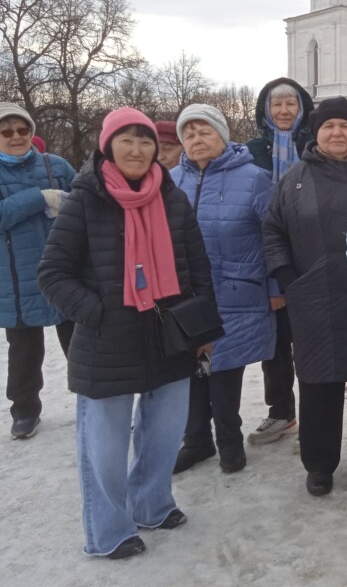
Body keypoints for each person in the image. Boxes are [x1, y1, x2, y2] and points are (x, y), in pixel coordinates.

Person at [38, 107, 214, 558]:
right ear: (108, 146)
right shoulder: (84, 198)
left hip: (169, 334)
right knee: (105, 446)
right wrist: (97, 313)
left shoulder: (170, 196)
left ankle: (152, 505)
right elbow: (53, 273)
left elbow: (197, 268)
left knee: (162, 432)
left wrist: (203, 327)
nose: (137, 150)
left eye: (145, 141)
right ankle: (109, 531)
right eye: (127, 140)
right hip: (107, 342)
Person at [263, 97, 347, 497]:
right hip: (315, 295)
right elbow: (273, 230)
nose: (337, 133)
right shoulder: (295, 179)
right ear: (316, 132)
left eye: (345, 126)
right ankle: (320, 464)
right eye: (329, 126)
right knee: (317, 384)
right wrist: (288, 276)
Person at [170, 104, 276, 475]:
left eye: (205, 132)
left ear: (222, 136)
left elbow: (275, 236)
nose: (197, 140)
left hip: (237, 292)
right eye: (190, 133)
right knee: (194, 371)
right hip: (188, 296)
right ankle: (196, 441)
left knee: (224, 372)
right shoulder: (171, 180)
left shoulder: (254, 178)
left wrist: (276, 287)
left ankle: (229, 441)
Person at [0, 103, 76, 439]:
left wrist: (70, 204)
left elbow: (87, 202)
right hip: (15, 279)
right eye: (6, 132)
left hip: (65, 272)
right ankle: (25, 411)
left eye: (22, 130)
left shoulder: (56, 165)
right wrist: (39, 198)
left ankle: (97, 398)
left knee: (82, 343)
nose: (16, 137)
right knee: (24, 351)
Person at [245, 78, 314, 445]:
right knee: (275, 341)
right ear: (266, 110)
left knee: (309, 339)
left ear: (303, 108)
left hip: (310, 255)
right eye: (277, 105)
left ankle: (317, 411)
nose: (285, 111)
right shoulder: (251, 151)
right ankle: (281, 411)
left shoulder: (314, 145)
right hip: (265, 252)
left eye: (291, 104)